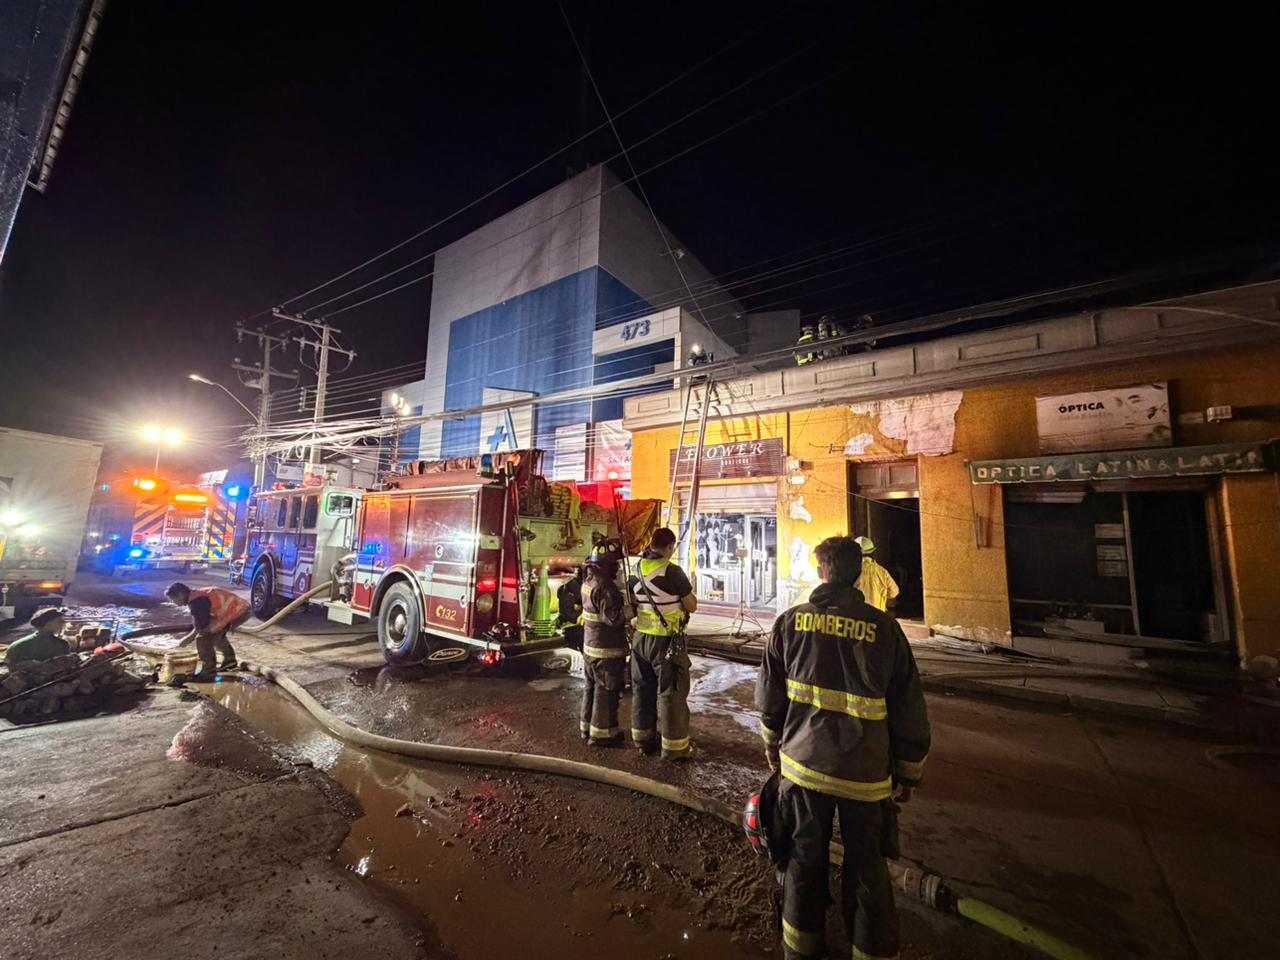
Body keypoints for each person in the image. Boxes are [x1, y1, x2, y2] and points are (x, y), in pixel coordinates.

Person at [756, 536, 930, 960]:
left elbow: (769, 700)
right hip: (865, 777)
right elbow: (908, 706)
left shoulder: (790, 622)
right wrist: (909, 771)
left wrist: (772, 746)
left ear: (821, 572)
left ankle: (801, 948)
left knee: (802, 858)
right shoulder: (885, 631)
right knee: (868, 866)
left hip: (802, 767)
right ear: (860, 572)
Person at [628, 527, 697, 759]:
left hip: (639, 640)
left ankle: (643, 739)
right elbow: (691, 605)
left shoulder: (634, 569)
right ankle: (675, 748)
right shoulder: (672, 571)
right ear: (669, 547)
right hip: (667, 642)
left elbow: (631, 604)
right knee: (672, 692)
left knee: (642, 689)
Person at [579, 542, 628, 746]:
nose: (617, 567)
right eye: (615, 563)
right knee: (606, 691)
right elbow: (613, 618)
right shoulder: (606, 586)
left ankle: (586, 727)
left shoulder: (589, 579)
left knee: (591, 688)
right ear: (607, 564)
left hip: (591, 647)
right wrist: (629, 610)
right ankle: (602, 735)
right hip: (606, 649)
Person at [165, 581, 251, 681]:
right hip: (239, 609)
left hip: (238, 611)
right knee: (216, 634)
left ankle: (208, 672)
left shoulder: (197, 601)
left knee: (203, 638)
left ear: (180, 595)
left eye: (173, 599)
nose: (173, 602)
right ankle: (229, 662)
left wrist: (188, 638)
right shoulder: (196, 596)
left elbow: (201, 625)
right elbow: (201, 622)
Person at [4, 607, 70, 665]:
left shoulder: (17, 645)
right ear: (48, 625)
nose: (63, 623)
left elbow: (9, 665)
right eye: (60, 621)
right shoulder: (62, 645)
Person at [854, 536, 899, 613]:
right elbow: (894, 592)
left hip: (857, 617)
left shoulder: (851, 571)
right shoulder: (882, 571)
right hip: (878, 617)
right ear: (872, 553)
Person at [557, 563, 585, 650]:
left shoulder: (579, 585)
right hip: (572, 627)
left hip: (578, 626)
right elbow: (567, 612)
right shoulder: (573, 587)